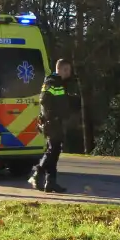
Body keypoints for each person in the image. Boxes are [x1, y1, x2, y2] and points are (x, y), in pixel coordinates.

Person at [29, 59, 78, 193]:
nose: (70, 72)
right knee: (52, 150)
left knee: (55, 151)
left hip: (57, 121)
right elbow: (44, 99)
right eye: (68, 70)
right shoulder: (51, 81)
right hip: (52, 122)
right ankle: (37, 174)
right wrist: (50, 117)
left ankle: (50, 183)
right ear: (63, 69)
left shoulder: (60, 83)